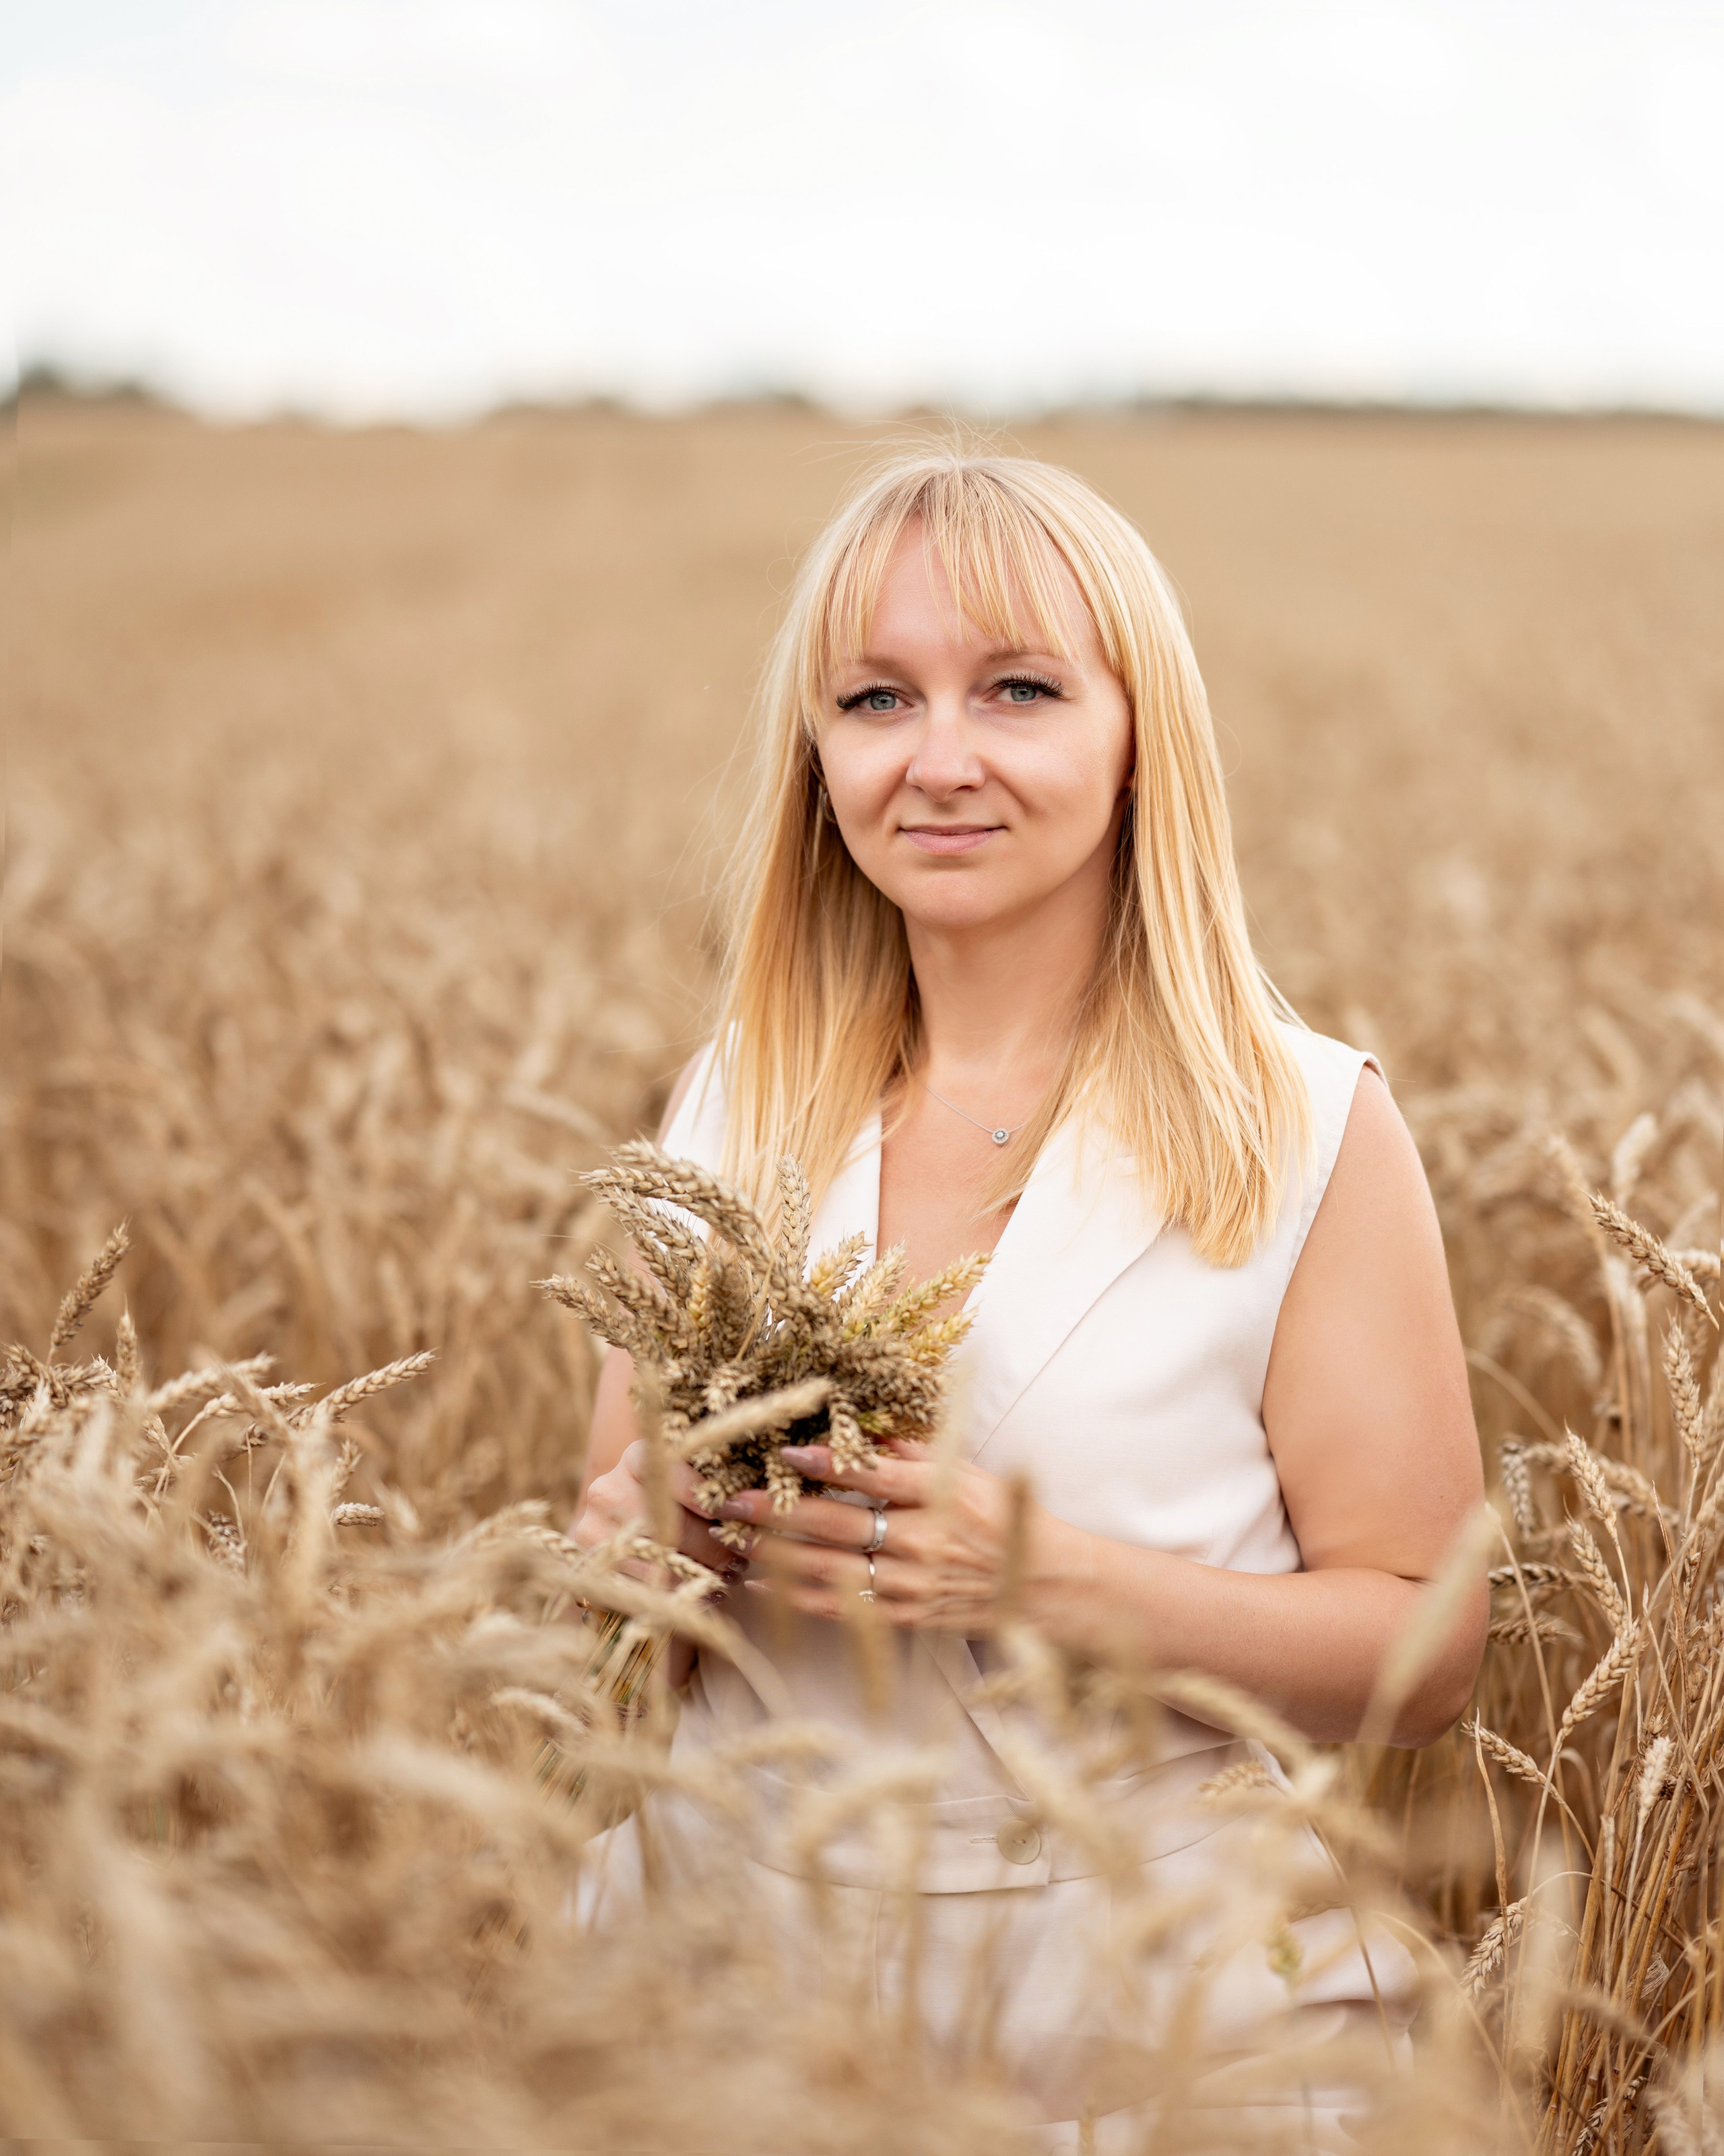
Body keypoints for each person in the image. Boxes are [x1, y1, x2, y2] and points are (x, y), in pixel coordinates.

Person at [570, 445, 1485, 2145]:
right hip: (716, 2002)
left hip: (1156, 2030)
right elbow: (604, 1541)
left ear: (1139, 736)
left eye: (1018, 689)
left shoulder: (1299, 1130)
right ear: (815, 754)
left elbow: (1426, 1651)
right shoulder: (730, 1102)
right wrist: (666, 1529)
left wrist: (1036, 1574)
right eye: (874, 698)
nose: (939, 758)